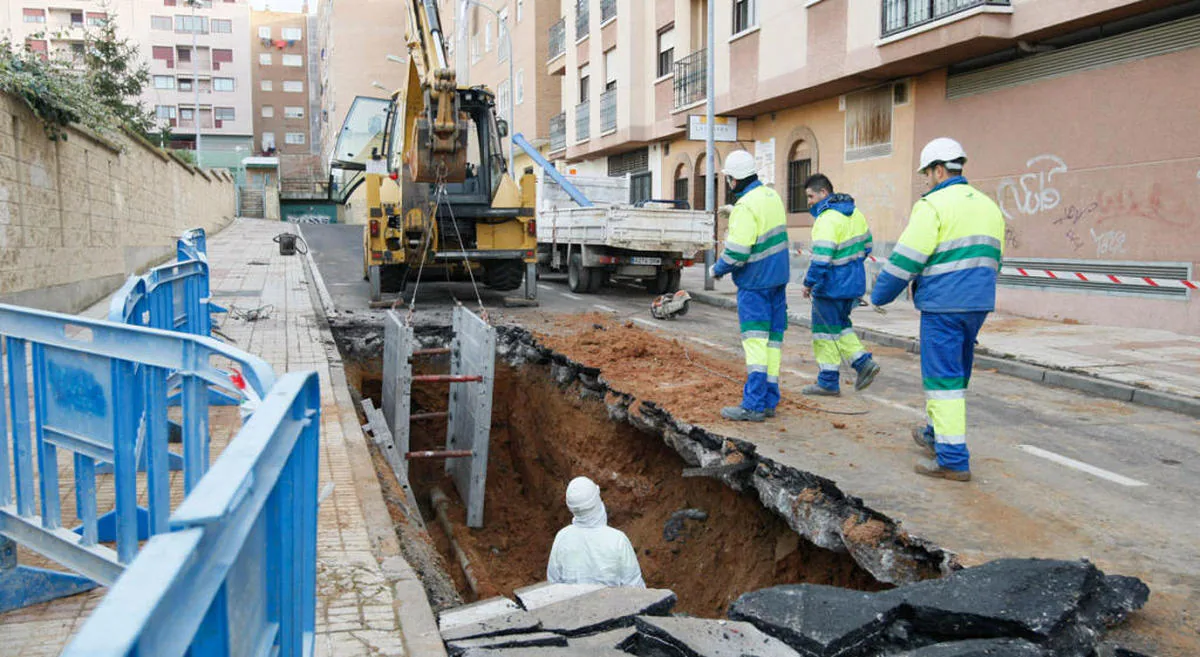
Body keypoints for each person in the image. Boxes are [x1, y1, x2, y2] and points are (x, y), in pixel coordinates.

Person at [870, 138, 1005, 482]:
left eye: (927, 174)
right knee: (955, 375)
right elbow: (995, 260)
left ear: (939, 170)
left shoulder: (933, 205)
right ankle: (935, 433)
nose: (926, 181)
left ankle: (953, 460)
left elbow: (907, 258)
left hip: (944, 304)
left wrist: (880, 294)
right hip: (978, 304)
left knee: (942, 381)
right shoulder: (989, 206)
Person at [709, 150, 790, 422]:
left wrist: (716, 269)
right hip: (778, 282)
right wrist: (736, 212)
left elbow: (737, 253)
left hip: (755, 285)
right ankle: (769, 400)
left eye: (729, 180)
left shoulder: (745, 207)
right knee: (772, 345)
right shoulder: (771, 196)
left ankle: (753, 405)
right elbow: (763, 224)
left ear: (734, 180)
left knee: (755, 346)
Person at [800, 174, 881, 396]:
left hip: (830, 286)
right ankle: (862, 362)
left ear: (824, 193)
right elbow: (867, 246)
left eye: (811, 196)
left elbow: (821, 259)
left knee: (824, 333)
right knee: (841, 327)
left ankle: (828, 381)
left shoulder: (826, 219)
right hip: (853, 284)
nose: (809, 202)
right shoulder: (856, 215)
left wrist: (808, 283)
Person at [546, 476, 645, 587]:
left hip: (572, 604)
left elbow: (553, 584)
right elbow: (635, 588)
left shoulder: (562, 537)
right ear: (597, 499)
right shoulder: (617, 540)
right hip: (612, 604)